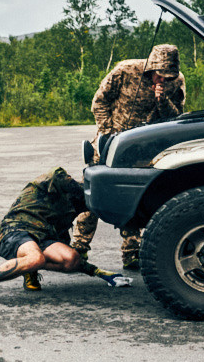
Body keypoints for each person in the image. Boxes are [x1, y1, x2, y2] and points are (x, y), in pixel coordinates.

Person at [73, 43, 184, 270]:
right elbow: (99, 101)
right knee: (92, 196)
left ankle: (131, 252)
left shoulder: (177, 82)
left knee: (133, 197)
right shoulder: (126, 70)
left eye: (168, 77)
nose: (162, 80)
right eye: (159, 75)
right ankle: (79, 249)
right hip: (109, 142)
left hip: (143, 149)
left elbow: (177, 119)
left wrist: (162, 99)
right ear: (151, 68)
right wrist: (107, 133)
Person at [0, 166, 131, 302]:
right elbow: (57, 174)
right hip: (17, 230)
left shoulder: (77, 205)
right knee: (35, 258)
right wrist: (86, 190)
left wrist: (101, 274)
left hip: (43, 237)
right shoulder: (53, 183)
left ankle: (28, 268)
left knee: (71, 259)